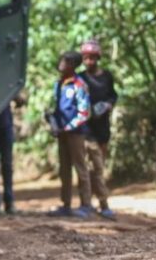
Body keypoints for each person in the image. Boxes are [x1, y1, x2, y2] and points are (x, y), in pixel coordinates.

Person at [47, 50, 93, 218]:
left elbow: (84, 112)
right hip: (62, 134)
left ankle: (86, 205)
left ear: (73, 65)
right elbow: (59, 108)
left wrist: (68, 127)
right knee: (64, 170)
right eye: (61, 60)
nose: (61, 64)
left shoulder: (79, 84)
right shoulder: (58, 84)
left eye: (65, 61)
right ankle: (66, 204)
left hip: (76, 133)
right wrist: (52, 120)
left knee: (80, 168)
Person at [80, 39, 117, 219]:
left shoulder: (107, 76)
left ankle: (100, 203)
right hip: (87, 130)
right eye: (86, 58)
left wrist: (108, 105)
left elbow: (113, 96)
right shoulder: (80, 78)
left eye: (92, 58)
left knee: (99, 167)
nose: (89, 61)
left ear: (98, 58)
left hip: (103, 128)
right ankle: (93, 204)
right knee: (89, 168)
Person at [0, 90, 26, 215]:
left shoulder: (6, 78)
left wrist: (17, 95)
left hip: (5, 124)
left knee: (7, 164)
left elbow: (20, 99)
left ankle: (9, 202)